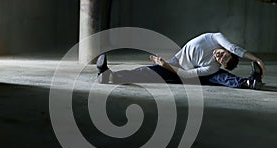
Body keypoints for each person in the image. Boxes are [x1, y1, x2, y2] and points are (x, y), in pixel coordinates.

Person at [96, 32, 265, 89]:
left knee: (218, 76)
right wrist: (257, 59)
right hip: (175, 65)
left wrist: (165, 65)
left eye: (222, 60)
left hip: (183, 73)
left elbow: (186, 74)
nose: (220, 56)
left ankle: (249, 83)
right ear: (227, 49)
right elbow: (236, 49)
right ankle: (107, 75)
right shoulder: (215, 37)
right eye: (225, 54)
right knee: (145, 72)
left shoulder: (214, 67)